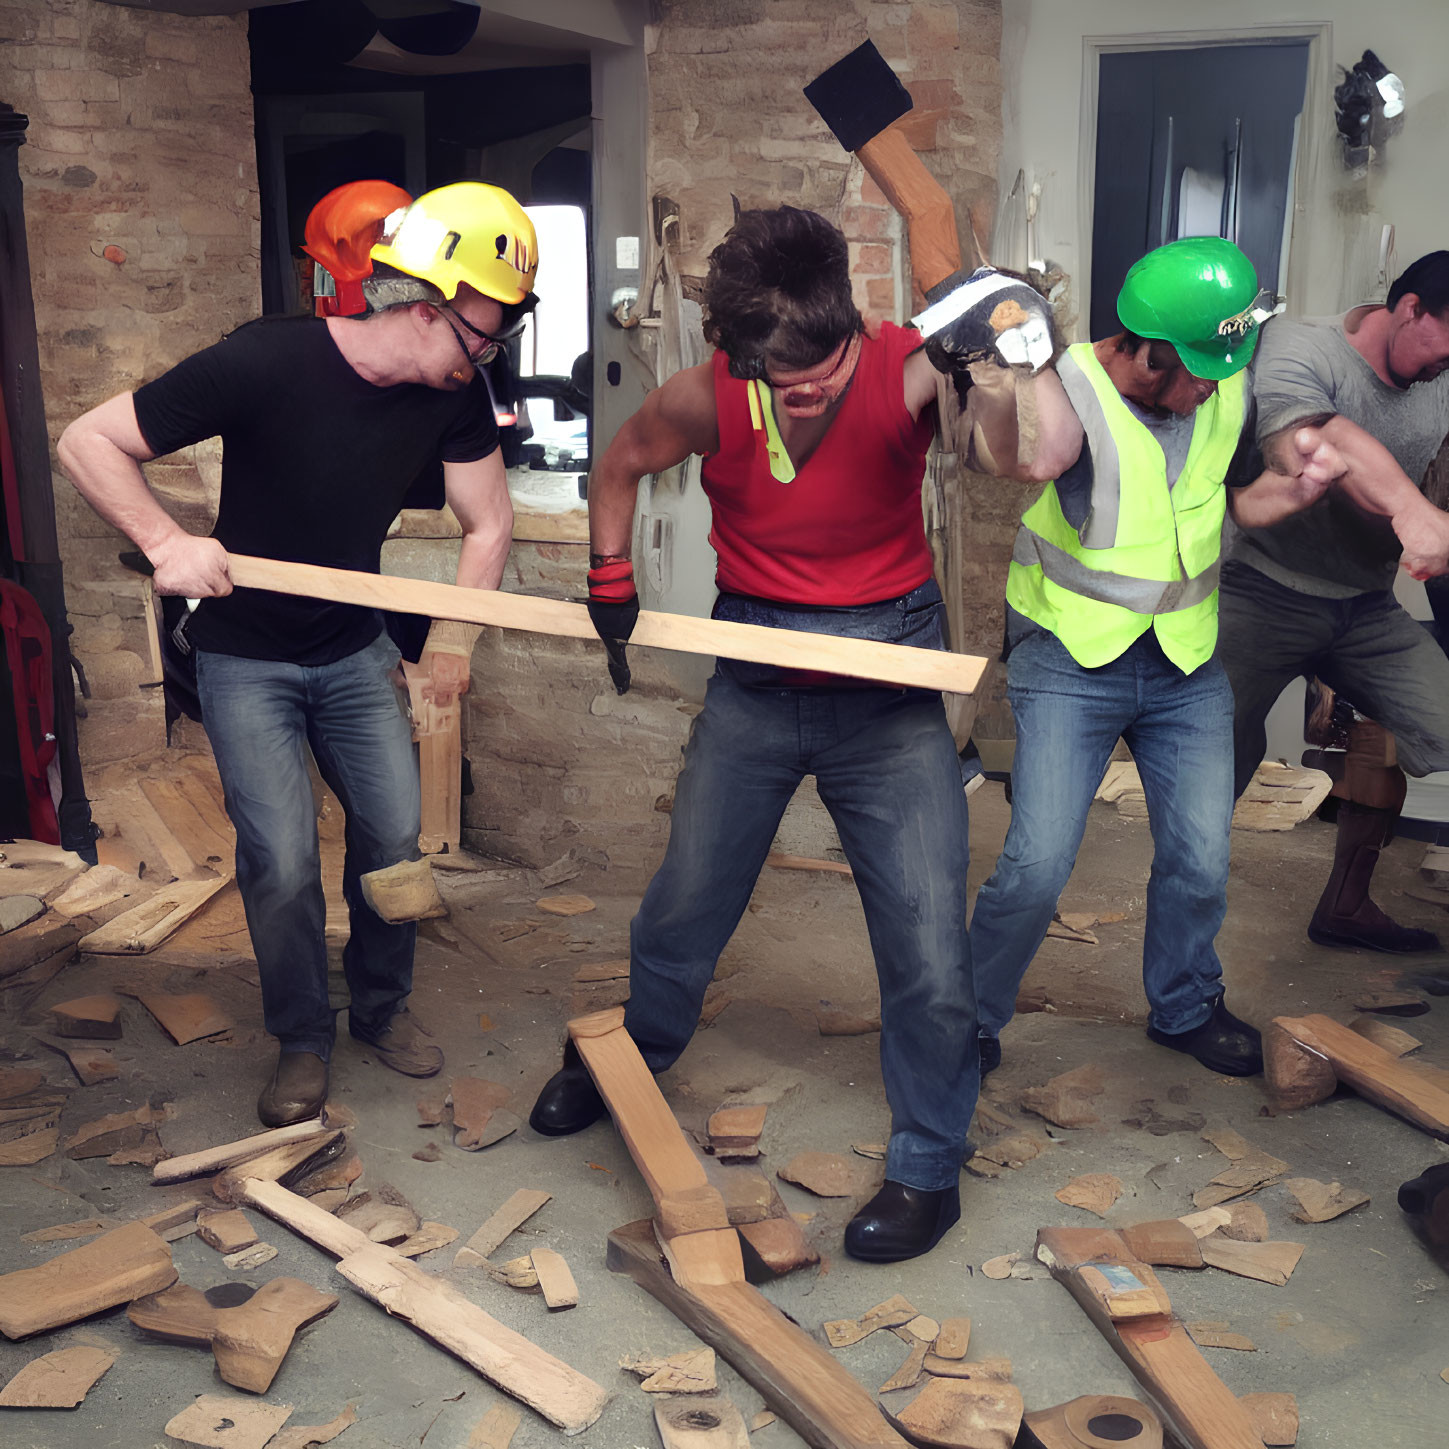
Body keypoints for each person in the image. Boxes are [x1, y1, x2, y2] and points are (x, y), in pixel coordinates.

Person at [527, 205, 1081, 1262]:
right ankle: (629, 1053)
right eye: (787, 374)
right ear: (738, 357)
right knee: (688, 897)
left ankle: (928, 1166)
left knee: (924, 942)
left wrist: (1019, 356)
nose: (814, 384)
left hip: (889, 689)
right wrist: (609, 571)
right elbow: (617, 466)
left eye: (825, 360)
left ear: (849, 321)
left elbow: (1028, 459)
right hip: (757, 679)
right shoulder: (707, 396)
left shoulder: (912, 366)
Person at [58, 181, 537, 1126]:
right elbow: (90, 440)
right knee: (278, 858)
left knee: (393, 837)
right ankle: (303, 1038)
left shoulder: (453, 399)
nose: (492, 349)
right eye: (486, 329)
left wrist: (452, 641)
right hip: (247, 658)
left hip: (355, 651)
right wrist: (166, 543)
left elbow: (490, 522)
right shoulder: (268, 359)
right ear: (427, 302)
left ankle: (382, 1009)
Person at [968, 237, 1348, 1080]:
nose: (1216, 380)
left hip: (1184, 660)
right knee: (1035, 865)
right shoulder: (1063, 389)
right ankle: (968, 1017)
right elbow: (1016, 458)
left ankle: (1183, 1005)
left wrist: (1288, 493)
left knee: (1199, 856)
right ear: (1146, 352)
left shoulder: (1220, 385)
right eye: (1200, 365)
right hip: (1070, 654)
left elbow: (1217, 504)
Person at [1220, 251, 1449, 954]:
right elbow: (1314, 443)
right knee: (1210, 761)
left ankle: (1345, 907)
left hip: (1363, 609)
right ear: (1408, 307)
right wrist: (1407, 511)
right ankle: (1184, 970)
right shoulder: (1301, 343)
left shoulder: (1439, 378)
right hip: (1259, 592)